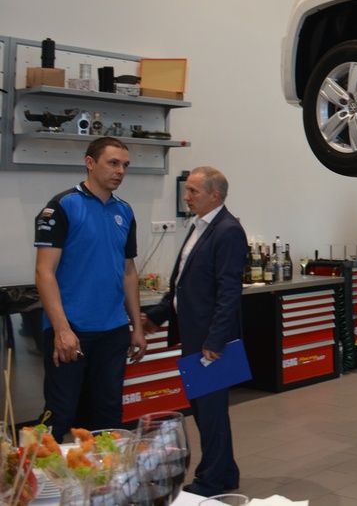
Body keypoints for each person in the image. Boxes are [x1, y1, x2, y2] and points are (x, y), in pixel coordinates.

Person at [142, 166, 248, 496]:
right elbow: (181, 284)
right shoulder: (199, 226)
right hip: (194, 336)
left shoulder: (228, 230)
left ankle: (211, 480)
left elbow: (229, 291)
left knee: (210, 412)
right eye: (187, 190)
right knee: (205, 412)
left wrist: (216, 339)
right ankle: (225, 473)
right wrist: (156, 316)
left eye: (193, 191)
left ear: (214, 196)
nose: (186, 197)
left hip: (210, 340)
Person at [33, 137, 147, 438]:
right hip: (71, 330)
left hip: (112, 330)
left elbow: (128, 271)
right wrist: (61, 329)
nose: (120, 171)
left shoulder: (125, 211)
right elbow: (44, 272)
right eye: (113, 163)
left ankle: (101, 469)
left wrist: (136, 326)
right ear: (90, 163)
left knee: (108, 415)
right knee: (61, 413)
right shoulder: (62, 206)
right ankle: (48, 469)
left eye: (125, 165)